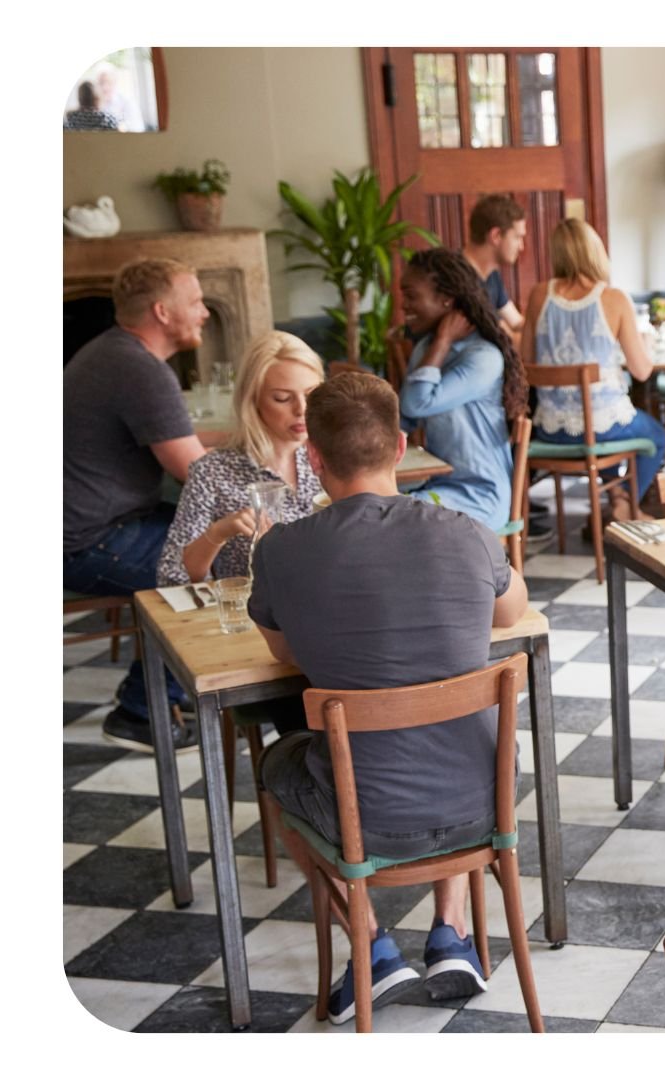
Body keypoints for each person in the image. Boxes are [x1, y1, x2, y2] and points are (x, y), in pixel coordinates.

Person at [251, 371, 530, 1023]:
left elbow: (281, 654)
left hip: (362, 818)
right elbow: (511, 611)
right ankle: (451, 933)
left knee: (274, 764)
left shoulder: (281, 550)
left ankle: (372, 944)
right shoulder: (465, 532)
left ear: (313, 459)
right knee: (459, 734)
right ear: (402, 446)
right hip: (484, 801)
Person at [64, 257, 210, 751]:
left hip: (93, 525)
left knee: (213, 542)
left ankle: (169, 683)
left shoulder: (113, 353)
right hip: (85, 542)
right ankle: (141, 709)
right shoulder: (138, 369)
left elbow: (184, 447)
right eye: (195, 301)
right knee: (212, 563)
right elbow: (198, 473)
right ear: (163, 311)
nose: (205, 312)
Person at [156, 331, 325, 587]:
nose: (301, 409)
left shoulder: (335, 457)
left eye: (311, 394)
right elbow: (173, 575)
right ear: (253, 399)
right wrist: (218, 532)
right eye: (282, 398)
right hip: (258, 619)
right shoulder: (212, 471)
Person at [523, 217, 665, 515]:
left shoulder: (538, 295)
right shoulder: (614, 299)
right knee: (655, 434)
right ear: (595, 251)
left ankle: (617, 498)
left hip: (549, 428)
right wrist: (647, 344)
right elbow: (641, 371)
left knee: (616, 438)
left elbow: (527, 362)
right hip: (602, 428)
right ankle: (626, 501)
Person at [396, 247, 525, 531]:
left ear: (446, 300)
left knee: (397, 522)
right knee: (372, 509)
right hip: (435, 484)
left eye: (411, 295)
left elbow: (417, 403)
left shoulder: (484, 357)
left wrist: (443, 339)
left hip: (479, 494)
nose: (403, 305)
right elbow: (404, 419)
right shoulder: (425, 349)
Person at [463, 194, 528, 340]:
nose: (522, 246)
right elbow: (506, 339)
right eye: (517, 237)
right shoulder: (459, 279)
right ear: (496, 236)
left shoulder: (492, 275)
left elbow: (516, 322)